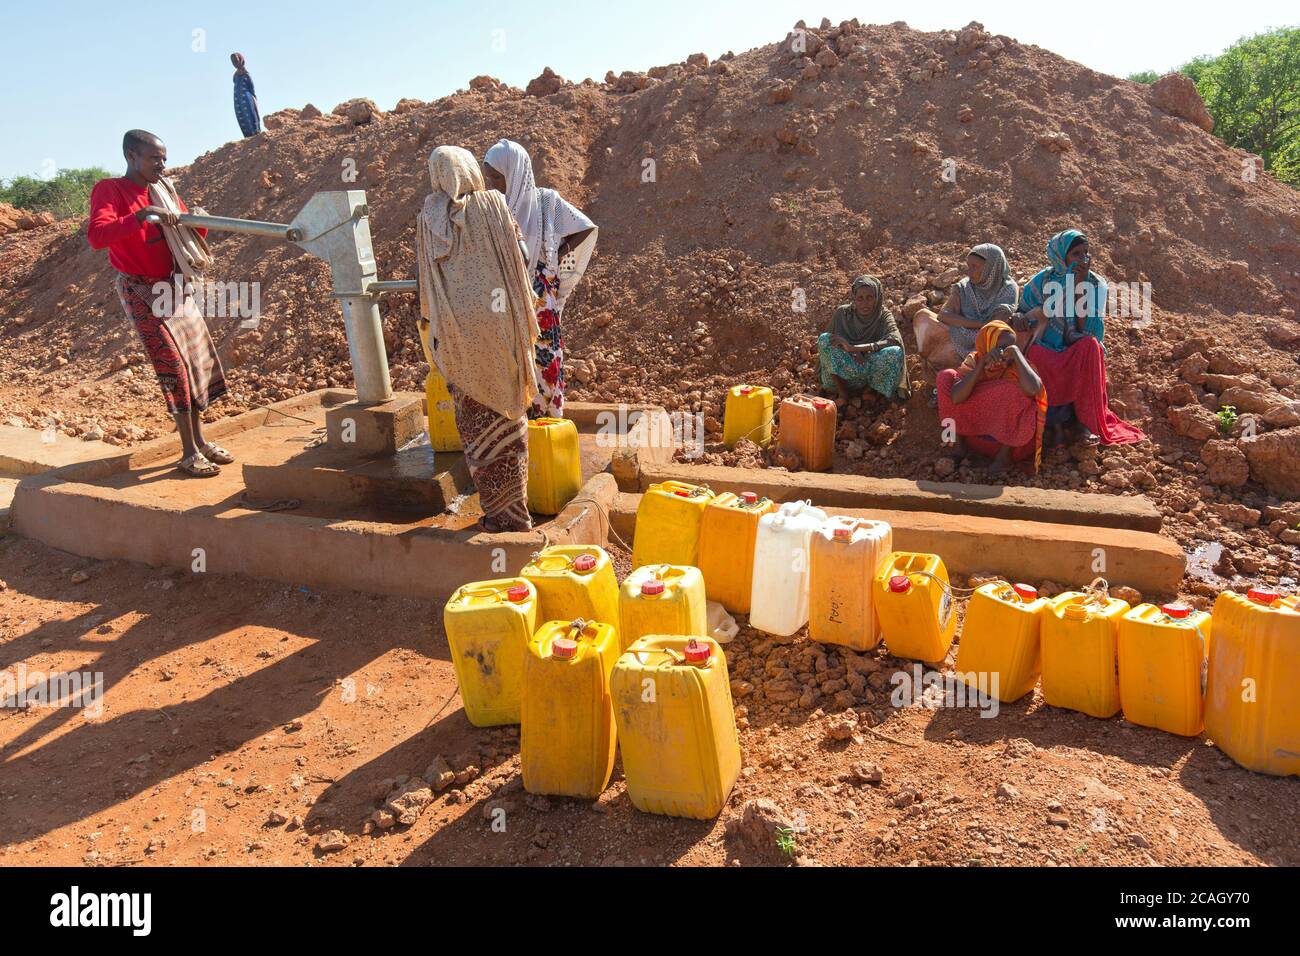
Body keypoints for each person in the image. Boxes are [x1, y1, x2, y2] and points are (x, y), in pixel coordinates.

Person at [87, 130, 232, 478]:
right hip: (140, 290)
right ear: (131, 156)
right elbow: (97, 236)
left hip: (175, 286)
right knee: (173, 366)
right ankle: (188, 453)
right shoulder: (111, 190)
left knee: (196, 361)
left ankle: (200, 440)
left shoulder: (164, 191)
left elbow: (184, 234)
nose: (162, 165)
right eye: (155, 158)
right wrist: (140, 216)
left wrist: (199, 222)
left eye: (164, 158)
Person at [415, 145, 540, 533]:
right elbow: (520, 255)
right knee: (508, 414)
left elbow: (425, 284)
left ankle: (495, 514)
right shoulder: (494, 205)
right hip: (500, 329)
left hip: (458, 338)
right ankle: (516, 515)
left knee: (474, 424)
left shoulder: (428, 216)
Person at [481, 139, 597, 419]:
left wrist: (555, 254)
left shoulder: (547, 202)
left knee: (543, 359)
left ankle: (546, 421)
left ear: (514, 173)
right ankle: (516, 425)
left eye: (497, 177)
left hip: (539, 297)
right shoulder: (493, 210)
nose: (492, 185)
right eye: (489, 177)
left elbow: (584, 227)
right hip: (506, 297)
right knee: (512, 361)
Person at [1015, 230, 1146, 446]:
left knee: (1091, 347)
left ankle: (1083, 424)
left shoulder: (1095, 283)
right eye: (1076, 253)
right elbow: (1023, 312)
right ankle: (1053, 425)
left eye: (1086, 252)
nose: (1083, 258)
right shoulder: (1043, 279)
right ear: (1060, 256)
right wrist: (1020, 316)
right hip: (1046, 344)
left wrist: (1080, 285)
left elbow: (1089, 330)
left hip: (1075, 345)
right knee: (1037, 354)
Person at [937, 319, 1047, 475]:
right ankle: (957, 445)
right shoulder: (975, 360)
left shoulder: (1017, 364)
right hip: (973, 435)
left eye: (1010, 347)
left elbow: (1035, 388)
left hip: (1012, 440)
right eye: (1001, 348)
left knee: (1011, 391)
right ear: (987, 345)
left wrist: (1016, 353)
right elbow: (956, 398)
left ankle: (1004, 458)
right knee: (945, 377)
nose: (1005, 353)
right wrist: (982, 365)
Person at [914, 244, 1019, 400]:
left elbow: (995, 324)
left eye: (975, 267)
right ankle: (944, 384)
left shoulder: (1008, 288)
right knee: (922, 317)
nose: (969, 272)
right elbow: (944, 315)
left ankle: (962, 383)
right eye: (968, 266)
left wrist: (976, 326)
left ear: (991, 268)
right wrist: (978, 323)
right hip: (960, 336)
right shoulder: (964, 286)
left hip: (988, 343)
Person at [818, 275, 909, 407]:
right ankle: (843, 394)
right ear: (854, 298)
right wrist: (850, 352)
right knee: (824, 339)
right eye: (860, 298)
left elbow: (894, 340)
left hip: (869, 374)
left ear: (877, 298)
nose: (865, 304)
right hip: (844, 373)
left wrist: (855, 348)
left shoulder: (883, 315)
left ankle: (870, 392)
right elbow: (832, 345)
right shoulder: (843, 313)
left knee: (895, 352)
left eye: (869, 298)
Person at [231, 53, 261, 138]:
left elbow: (251, 88)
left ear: (240, 60)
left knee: (250, 115)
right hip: (238, 100)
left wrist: (254, 98)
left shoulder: (246, 74)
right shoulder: (235, 76)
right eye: (233, 62)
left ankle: (256, 134)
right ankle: (248, 137)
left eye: (236, 61)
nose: (235, 64)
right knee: (241, 116)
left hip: (247, 99)